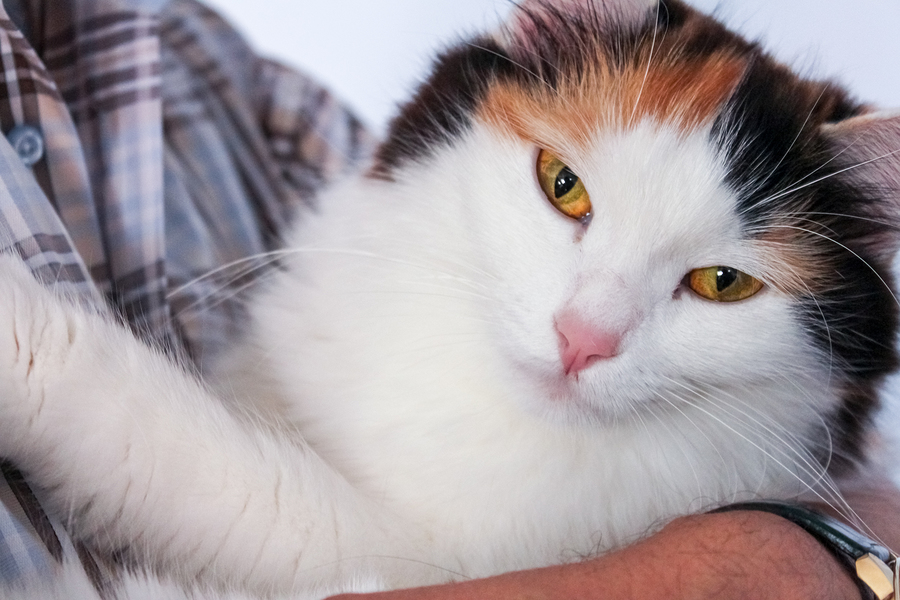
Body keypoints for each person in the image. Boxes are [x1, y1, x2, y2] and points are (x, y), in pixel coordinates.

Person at [0, 0, 895, 598]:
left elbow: (362, 563)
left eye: (720, 282)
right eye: (567, 191)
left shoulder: (183, 50)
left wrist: (48, 373)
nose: (586, 328)